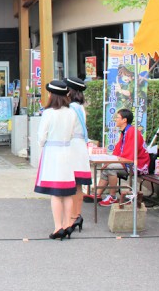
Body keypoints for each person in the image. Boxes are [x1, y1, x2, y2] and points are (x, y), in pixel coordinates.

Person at [34, 80, 79, 240]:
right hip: (67, 152)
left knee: (55, 193)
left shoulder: (49, 113)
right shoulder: (72, 112)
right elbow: (73, 134)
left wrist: (43, 145)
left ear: (52, 95)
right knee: (67, 192)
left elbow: (41, 137)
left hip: (52, 153)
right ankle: (68, 224)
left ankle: (58, 227)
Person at [98, 108, 151, 206]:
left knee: (110, 168)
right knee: (106, 168)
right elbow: (118, 150)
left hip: (138, 164)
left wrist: (112, 162)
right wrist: (109, 161)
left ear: (124, 120)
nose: (115, 120)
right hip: (129, 161)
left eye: (117, 117)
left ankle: (113, 197)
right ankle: (97, 195)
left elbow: (129, 156)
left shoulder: (132, 132)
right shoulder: (125, 131)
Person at [64, 77, 91, 233]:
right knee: (78, 185)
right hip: (80, 147)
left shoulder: (70, 109)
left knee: (70, 184)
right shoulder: (80, 107)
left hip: (71, 147)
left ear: (69, 91)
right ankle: (76, 215)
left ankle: (72, 217)